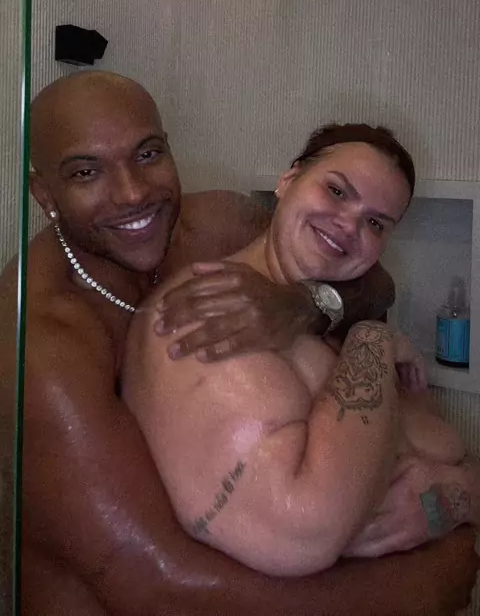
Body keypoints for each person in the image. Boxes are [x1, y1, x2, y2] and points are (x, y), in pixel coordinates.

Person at [0, 71, 476, 615]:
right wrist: (420, 588)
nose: (133, 193)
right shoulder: (41, 340)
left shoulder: (216, 226)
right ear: (45, 195)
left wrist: (308, 303)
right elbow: (151, 583)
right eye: (86, 172)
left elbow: (369, 277)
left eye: (148, 154)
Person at [124, 123, 479, 577]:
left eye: (375, 223)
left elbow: (445, 455)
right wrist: (374, 338)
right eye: (336, 191)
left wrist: (460, 491)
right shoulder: (208, 313)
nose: (348, 226)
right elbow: (303, 531)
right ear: (289, 180)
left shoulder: (325, 308)